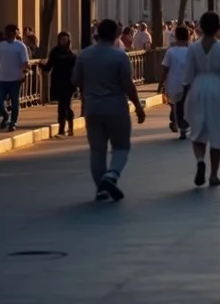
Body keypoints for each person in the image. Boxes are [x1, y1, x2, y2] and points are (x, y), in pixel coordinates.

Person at [71, 18, 146, 201]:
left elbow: (75, 80)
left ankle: (101, 188)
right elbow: (127, 84)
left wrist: (90, 87)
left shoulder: (85, 55)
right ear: (116, 35)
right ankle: (111, 175)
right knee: (121, 146)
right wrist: (137, 106)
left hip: (93, 107)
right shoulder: (120, 56)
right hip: (116, 107)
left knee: (97, 150)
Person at [183, 11, 220, 187]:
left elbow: (188, 75)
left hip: (197, 87)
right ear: (218, 28)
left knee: (197, 129)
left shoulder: (192, 48)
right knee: (217, 130)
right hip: (216, 88)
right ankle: (213, 174)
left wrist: (185, 95)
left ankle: (200, 160)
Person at [0, 24, 29, 131]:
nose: (10, 35)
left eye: (13, 32)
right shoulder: (1, 46)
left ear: (16, 34)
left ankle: (13, 122)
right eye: (8, 33)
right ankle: (5, 116)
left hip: (15, 79)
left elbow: (25, 62)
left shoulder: (20, 46)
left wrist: (23, 73)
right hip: (2, 78)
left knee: (15, 103)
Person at [158, 25, 192, 138]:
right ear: (188, 37)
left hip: (174, 83)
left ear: (176, 37)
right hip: (189, 82)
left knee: (177, 104)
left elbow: (165, 69)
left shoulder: (171, 52)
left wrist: (160, 84)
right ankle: (182, 126)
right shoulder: (192, 51)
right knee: (185, 105)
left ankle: (179, 124)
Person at [44, 31, 77, 137]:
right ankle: (65, 128)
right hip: (57, 82)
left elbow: (76, 71)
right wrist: (42, 66)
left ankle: (64, 128)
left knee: (64, 106)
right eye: (61, 39)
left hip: (69, 83)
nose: (63, 41)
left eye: (65, 39)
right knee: (62, 105)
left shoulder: (72, 55)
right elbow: (49, 66)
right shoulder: (54, 52)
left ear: (68, 41)